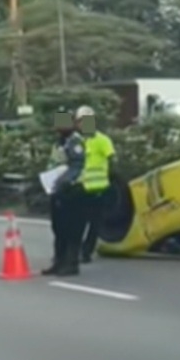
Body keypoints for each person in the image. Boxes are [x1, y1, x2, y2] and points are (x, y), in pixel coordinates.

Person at [41, 109, 86, 277]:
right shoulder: (60, 142)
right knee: (58, 228)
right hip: (57, 189)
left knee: (72, 229)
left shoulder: (75, 142)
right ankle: (59, 261)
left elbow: (77, 166)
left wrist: (63, 182)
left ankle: (71, 264)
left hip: (72, 190)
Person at [76, 105, 116, 263]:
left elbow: (112, 160)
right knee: (78, 223)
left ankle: (86, 252)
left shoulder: (102, 140)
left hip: (98, 190)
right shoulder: (77, 141)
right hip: (80, 190)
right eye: (80, 121)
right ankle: (75, 250)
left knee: (94, 225)